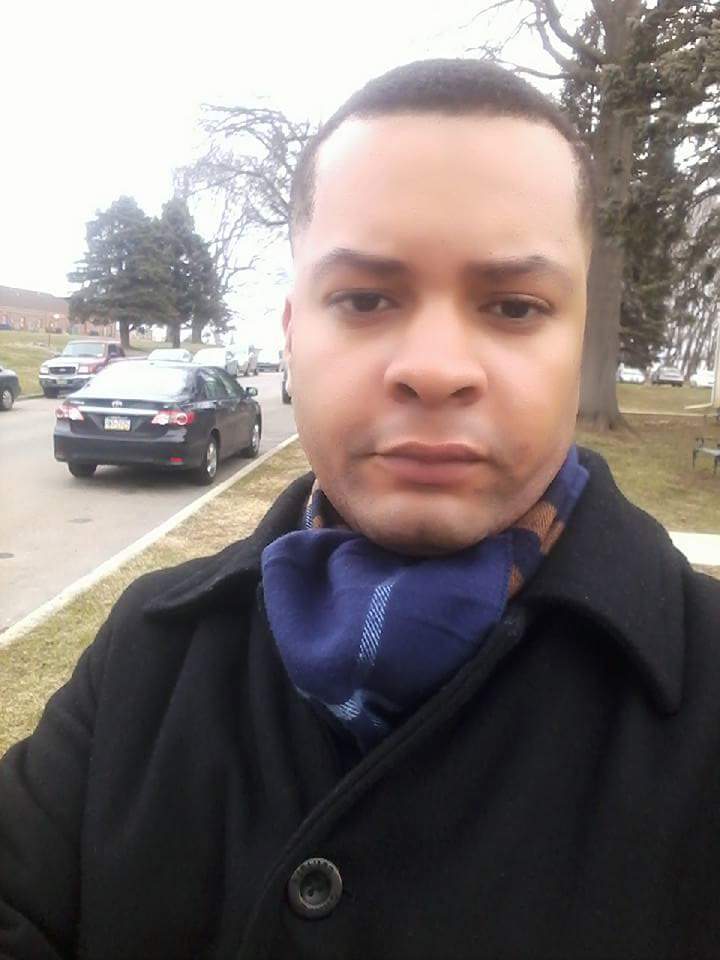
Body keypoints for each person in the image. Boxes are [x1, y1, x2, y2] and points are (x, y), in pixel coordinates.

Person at [1, 58, 719, 960]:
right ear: (292, 333)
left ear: (577, 344)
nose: (435, 368)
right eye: (366, 298)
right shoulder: (149, 655)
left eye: (513, 306)